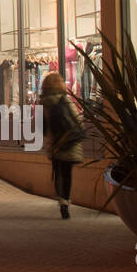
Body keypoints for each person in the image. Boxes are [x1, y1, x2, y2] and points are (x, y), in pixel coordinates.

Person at [40, 71, 84, 219]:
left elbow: (43, 129)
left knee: (58, 172)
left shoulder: (44, 104)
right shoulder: (65, 100)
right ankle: (66, 201)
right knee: (67, 174)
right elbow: (78, 121)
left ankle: (61, 199)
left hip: (55, 145)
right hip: (69, 144)